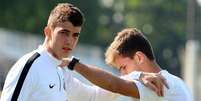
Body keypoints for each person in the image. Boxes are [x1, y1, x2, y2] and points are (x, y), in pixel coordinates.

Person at [1, 3, 166, 101]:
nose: (69, 41)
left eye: (75, 35)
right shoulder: (30, 65)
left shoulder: (61, 70)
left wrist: (135, 78)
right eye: (64, 33)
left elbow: (93, 96)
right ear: (48, 32)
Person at [63, 28, 193, 101]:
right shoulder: (177, 82)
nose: (123, 75)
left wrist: (74, 64)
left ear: (139, 58)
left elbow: (113, 84)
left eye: (123, 67)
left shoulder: (160, 83)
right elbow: (92, 96)